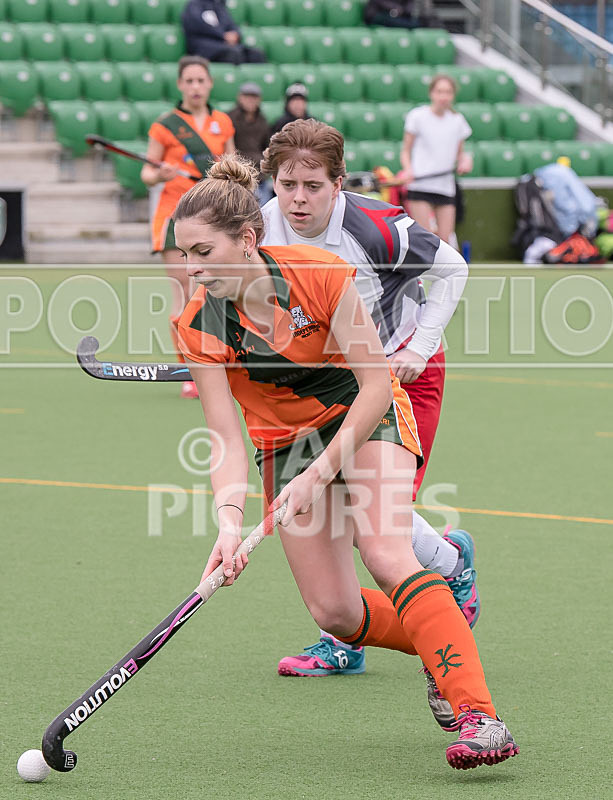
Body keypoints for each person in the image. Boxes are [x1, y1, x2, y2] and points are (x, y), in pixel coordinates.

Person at [173, 154, 519, 771]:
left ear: (248, 240)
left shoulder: (322, 275)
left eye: (203, 252)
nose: (192, 270)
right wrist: (229, 523)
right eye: (184, 255)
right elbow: (225, 437)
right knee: (334, 610)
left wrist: (319, 472)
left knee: (385, 550)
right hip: (285, 441)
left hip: (364, 412)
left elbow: (377, 384)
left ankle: (479, 715)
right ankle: (444, 637)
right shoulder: (199, 323)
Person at [259, 119, 474, 723]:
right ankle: (348, 634)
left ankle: (452, 567)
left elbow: (452, 268)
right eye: (287, 184)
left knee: (368, 516)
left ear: (338, 184)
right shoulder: (262, 228)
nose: (297, 200)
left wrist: (418, 346)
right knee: (331, 513)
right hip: (327, 380)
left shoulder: (376, 227)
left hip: (403, 373)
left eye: (313, 186)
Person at [141, 55, 235, 398]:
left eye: (201, 80)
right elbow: (147, 174)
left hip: (212, 215)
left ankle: (219, 357)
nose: (195, 87)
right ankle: (189, 369)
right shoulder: (165, 125)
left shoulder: (222, 121)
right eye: (189, 81)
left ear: (209, 83)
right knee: (183, 293)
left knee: (216, 290)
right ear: (180, 85)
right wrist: (160, 173)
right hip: (174, 217)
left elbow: (231, 165)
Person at [399, 74, 473, 244]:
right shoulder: (417, 116)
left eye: (448, 92)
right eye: (439, 91)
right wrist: (408, 170)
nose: (443, 96)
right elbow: (405, 151)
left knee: (445, 241)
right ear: (431, 93)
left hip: (445, 186)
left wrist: (465, 161)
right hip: (420, 185)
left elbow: (460, 154)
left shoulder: (457, 121)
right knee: (426, 240)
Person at [227, 82, 274, 204]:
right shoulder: (230, 118)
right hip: (239, 171)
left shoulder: (262, 121)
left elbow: (266, 145)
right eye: (247, 97)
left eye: (254, 97)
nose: (250, 100)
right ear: (240, 98)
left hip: (259, 174)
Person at [181, 0, 266, 64]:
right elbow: (197, 25)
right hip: (205, 46)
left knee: (256, 54)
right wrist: (222, 36)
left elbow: (231, 24)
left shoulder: (219, 6)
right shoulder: (193, 5)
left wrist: (235, 34)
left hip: (225, 45)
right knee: (233, 54)